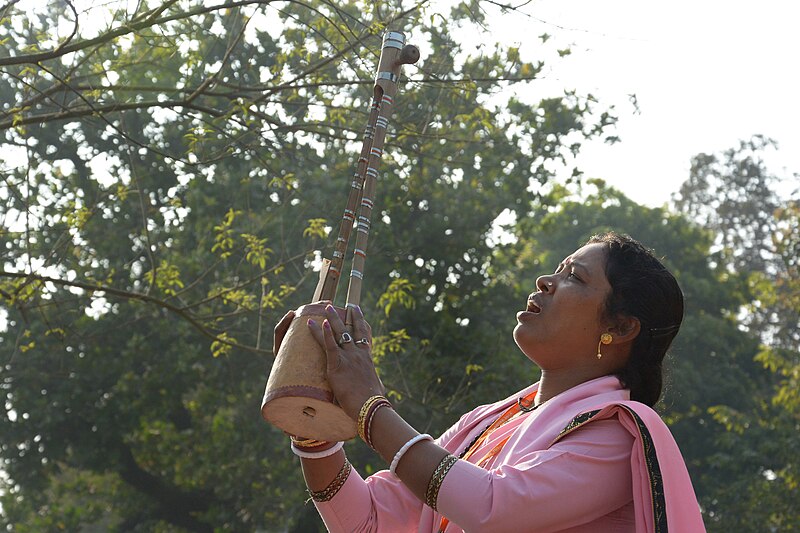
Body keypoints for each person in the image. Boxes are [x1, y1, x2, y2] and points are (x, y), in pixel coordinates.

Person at [274, 232, 706, 532]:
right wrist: (312, 417)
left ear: (621, 327)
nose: (545, 281)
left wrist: (369, 405)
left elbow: (491, 508)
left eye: (574, 277)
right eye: (558, 269)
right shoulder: (487, 423)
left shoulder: (618, 432)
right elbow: (369, 521)